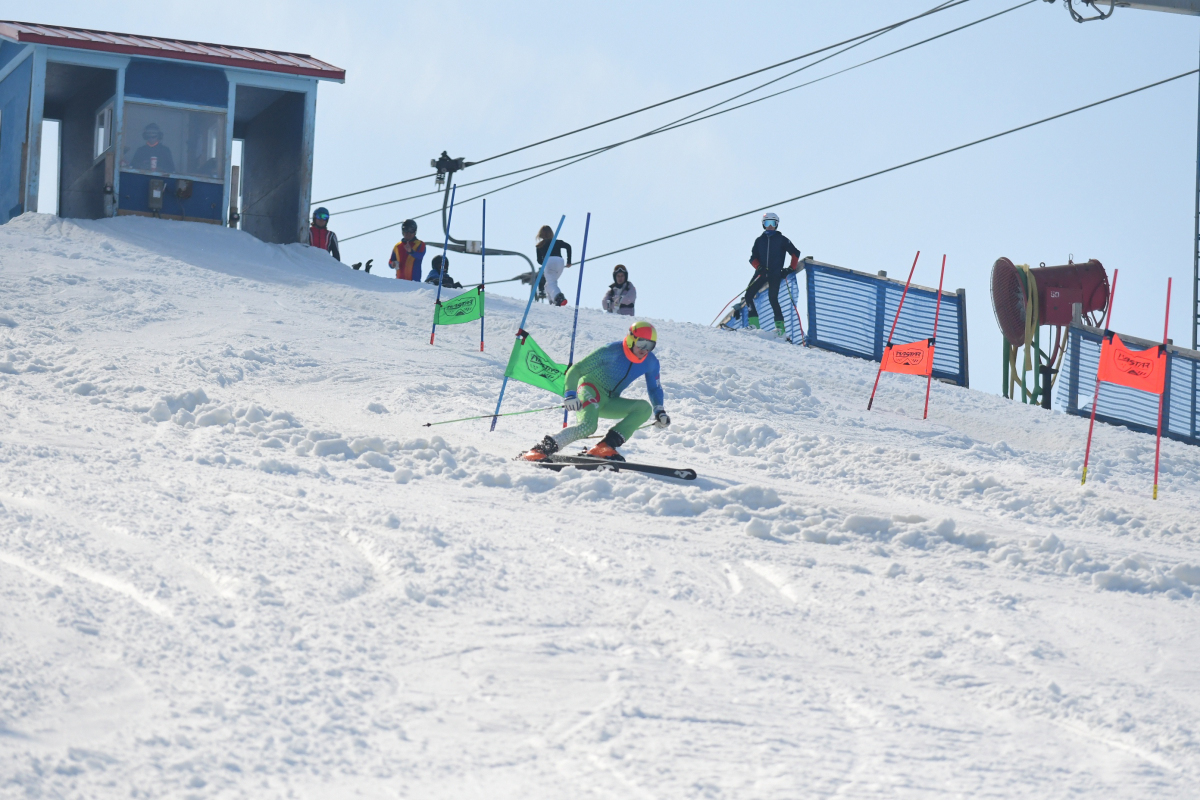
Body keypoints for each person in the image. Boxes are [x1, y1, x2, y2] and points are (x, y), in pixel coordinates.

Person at [521, 321, 670, 463]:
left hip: (610, 400)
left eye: (650, 345)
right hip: (590, 389)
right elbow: (576, 369)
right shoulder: (611, 351)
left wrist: (660, 411)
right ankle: (539, 450)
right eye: (641, 343)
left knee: (644, 409)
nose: (644, 349)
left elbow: (654, 388)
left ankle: (604, 447)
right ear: (631, 339)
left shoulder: (651, 362)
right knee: (588, 427)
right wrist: (570, 394)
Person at [745, 211, 800, 337]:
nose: (770, 226)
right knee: (748, 296)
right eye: (767, 223)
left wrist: (790, 269)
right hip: (761, 273)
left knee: (773, 298)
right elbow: (753, 258)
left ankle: (780, 329)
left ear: (777, 224)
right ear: (763, 225)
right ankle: (754, 325)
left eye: (773, 223)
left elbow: (795, 253)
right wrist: (759, 267)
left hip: (775, 273)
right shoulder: (759, 240)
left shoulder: (782, 240)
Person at [535, 225, 572, 306]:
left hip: (549, 261)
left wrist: (545, 263)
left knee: (551, 283)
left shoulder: (539, 245)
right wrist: (569, 261)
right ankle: (552, 301)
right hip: (560, 262)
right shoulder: (557, 242)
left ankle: (559, 297)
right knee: (548, 284)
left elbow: (539, 261)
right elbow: (568, 246)